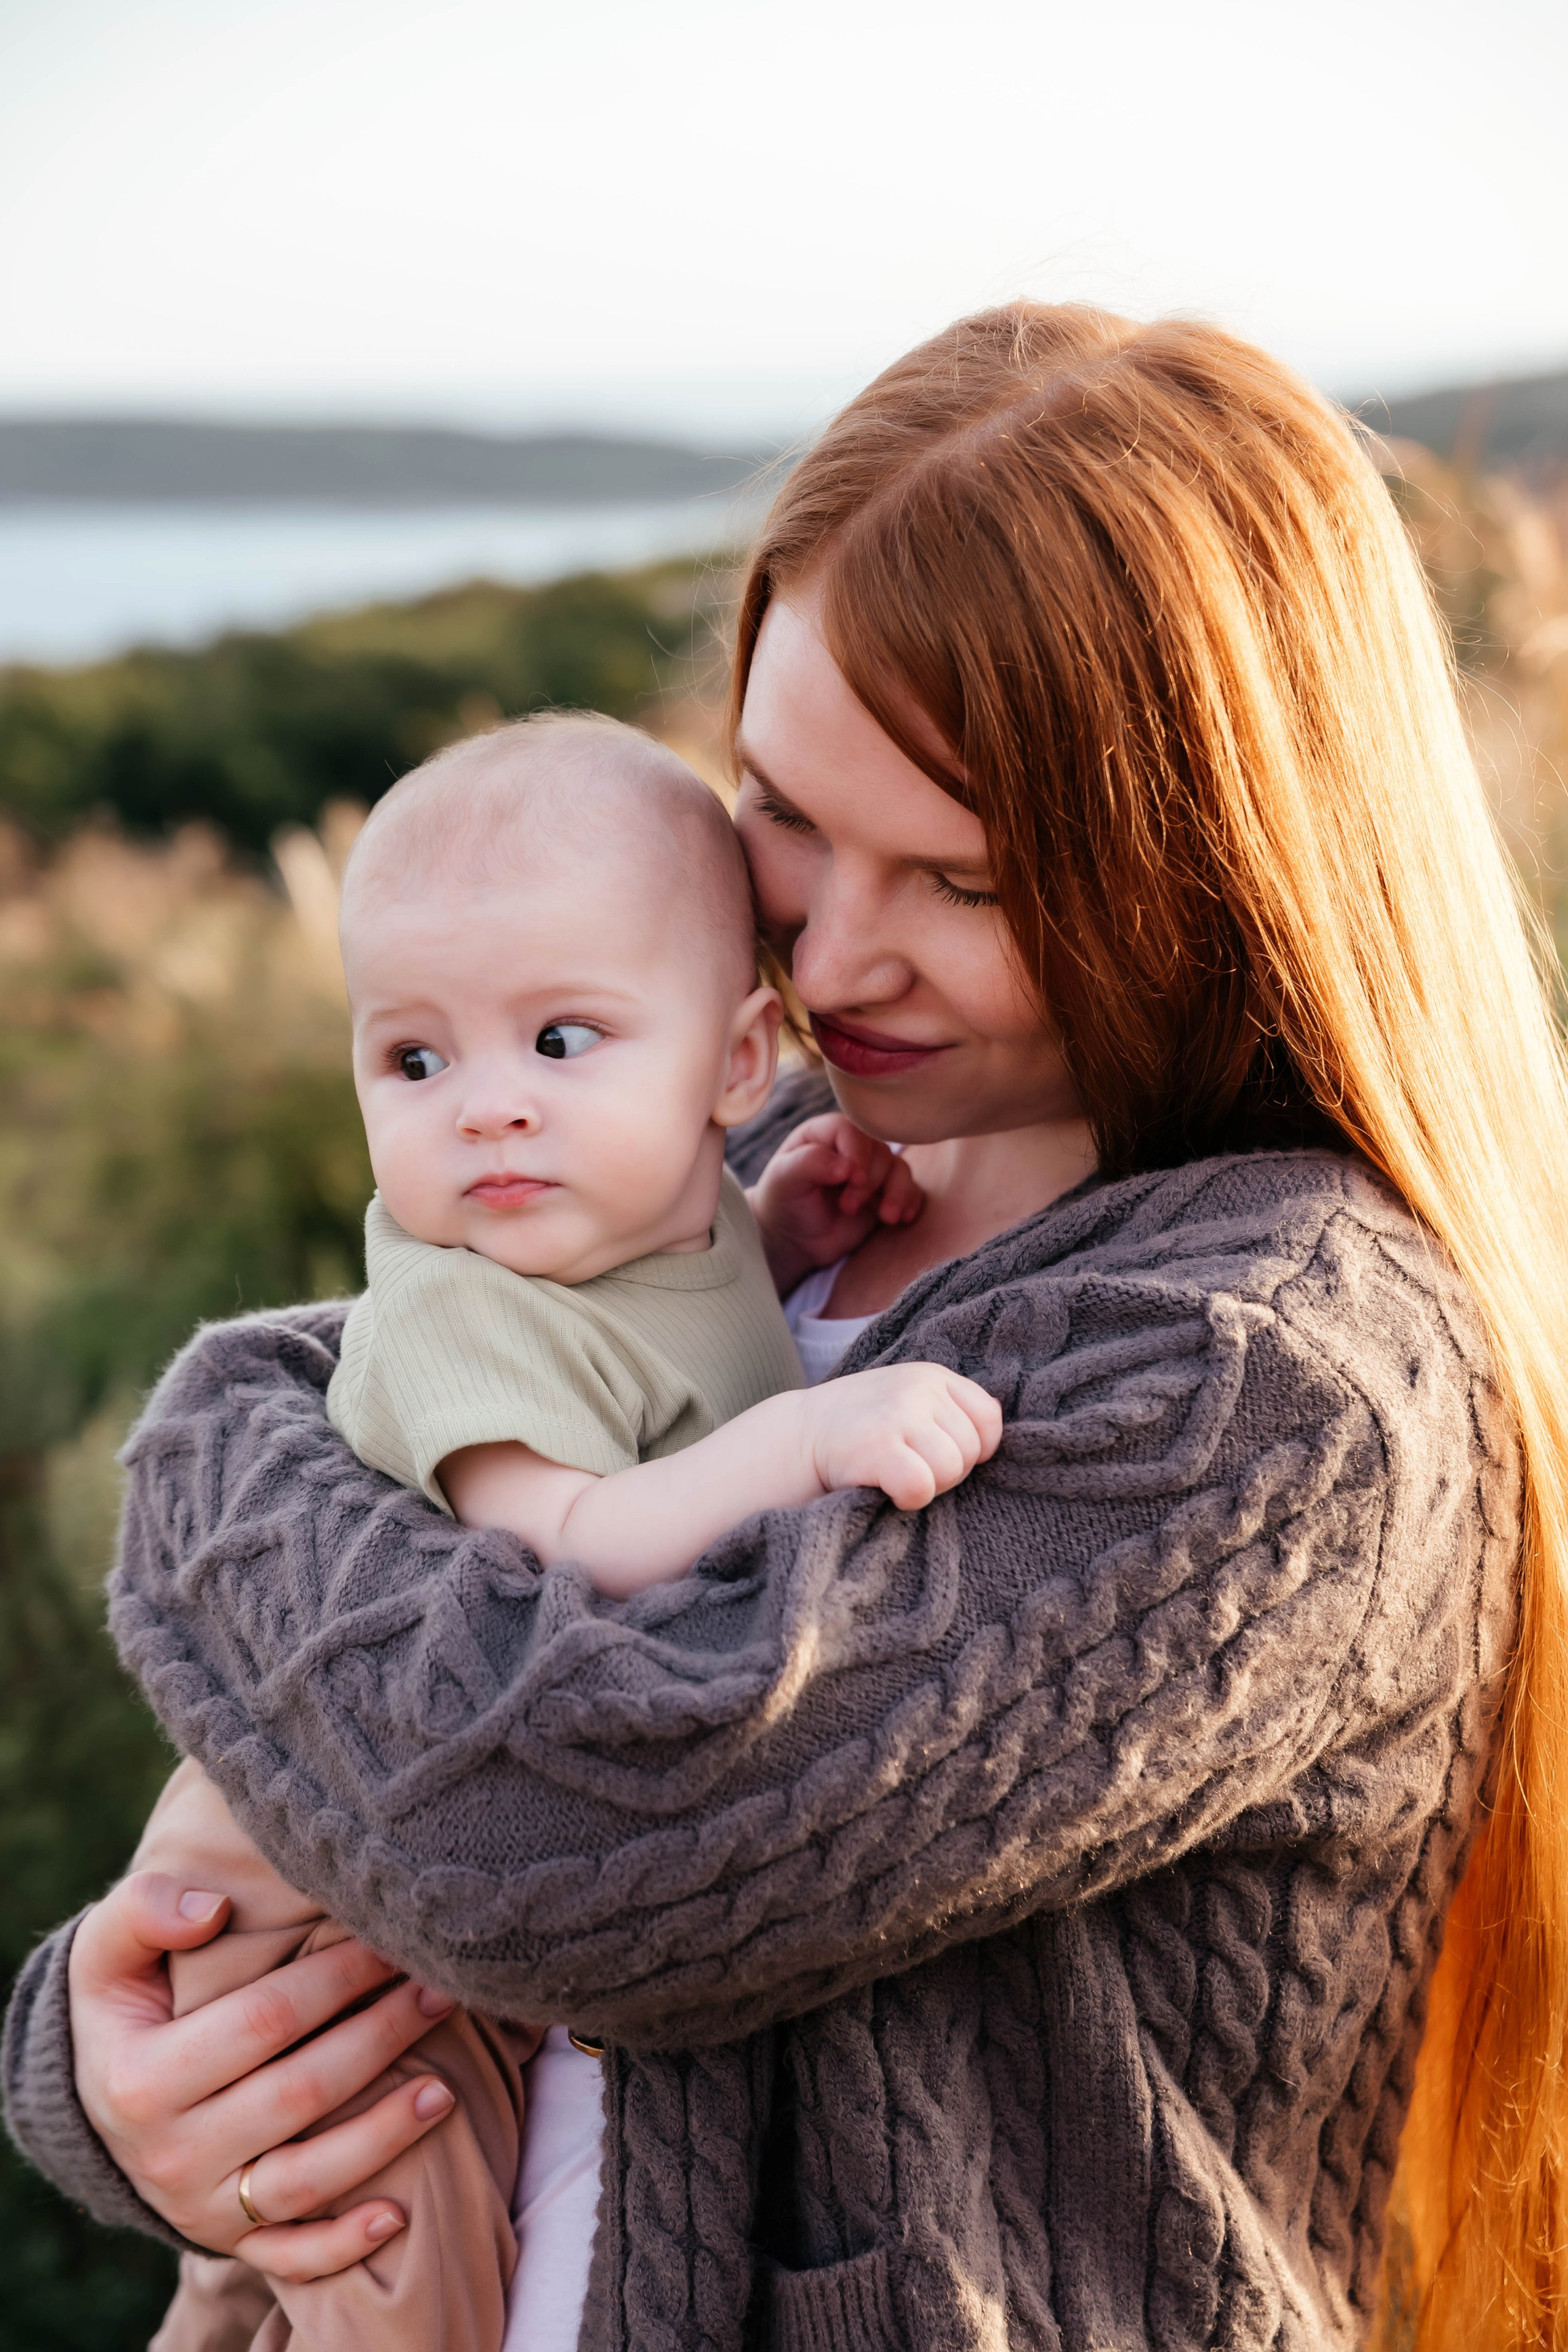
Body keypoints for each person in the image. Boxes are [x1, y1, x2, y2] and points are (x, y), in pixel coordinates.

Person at [7, 300, 1568, 2352]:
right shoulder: (766, 1177)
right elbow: (375, 1547)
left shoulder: (1280, 1383)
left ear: (1223, 866)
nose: (832, 953)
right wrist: (138, 2079)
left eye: (964, 880)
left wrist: (214, 1441)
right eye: (787, 813)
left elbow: (556, 1836)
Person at [132, 709, 999, 2352]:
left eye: (560, 1041)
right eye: (414, 1059)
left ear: (736, 1065)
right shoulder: (460, 1308)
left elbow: (644, 1354)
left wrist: (764, 1228)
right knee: (394, 2258)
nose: (486, 1112)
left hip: (428, 1841)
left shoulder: (665, 1216)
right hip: (307, 1888)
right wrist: (807, 1433)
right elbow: (584, 1531)